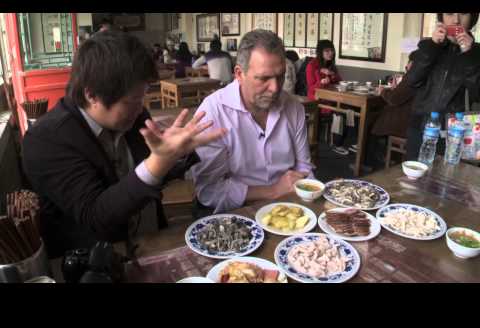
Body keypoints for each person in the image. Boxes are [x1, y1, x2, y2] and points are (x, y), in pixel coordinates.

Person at [22, 31, 226, 258]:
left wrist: (178, 153)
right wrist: (158, 162)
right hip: (96, 262)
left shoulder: (132, 115)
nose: (141, 108)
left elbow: (147, 179)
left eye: (142, 97)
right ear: (92, 95)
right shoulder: (45, 141)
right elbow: (96, 215)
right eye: (132, 101)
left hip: (151, 242)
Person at [190, 29, 315, 215]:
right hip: (236, 212)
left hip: (288, 204)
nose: (274, 88)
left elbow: (303, 167)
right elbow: (209, 191)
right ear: (239, 74)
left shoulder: (293, 107)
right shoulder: (213, 112)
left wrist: (307, 191)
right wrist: (272, 191)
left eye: (280, 76)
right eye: (264, 78)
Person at [404, 13, 480, 160]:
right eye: (449, 13)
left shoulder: (477, 53)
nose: (456, 20)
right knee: (412, 179)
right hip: (420, 128)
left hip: (456, 133)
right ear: (441, 17)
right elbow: (412, 81)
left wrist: (468, 54)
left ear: (472, 18)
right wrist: (432, 46)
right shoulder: (427, 46)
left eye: (463, 14)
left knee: (447, 180)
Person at [364, 50, 419, 168]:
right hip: (411, 120)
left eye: (409, 63)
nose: (407, 66)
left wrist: (383, 91)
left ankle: (369, 162)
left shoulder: (412, 78)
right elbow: (401, 95)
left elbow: (394, 99)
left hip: (403, 121)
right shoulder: (424, 77)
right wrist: (395, 89)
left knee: (369, 123)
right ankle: (388, 157)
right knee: (375, 118)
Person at [306, 40, 350, 155]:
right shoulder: (312, 65)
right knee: (341, 113)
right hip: (316, 101)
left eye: (332, 50)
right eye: (327, 51)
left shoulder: (331, 66)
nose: (331, 53)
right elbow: (311, 88)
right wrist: (321, 82)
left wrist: (332, 75)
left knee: (349, 110)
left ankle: (344, 142)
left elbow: (340, 81)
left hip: (331, 99)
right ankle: (337, 144)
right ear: (320, 52)